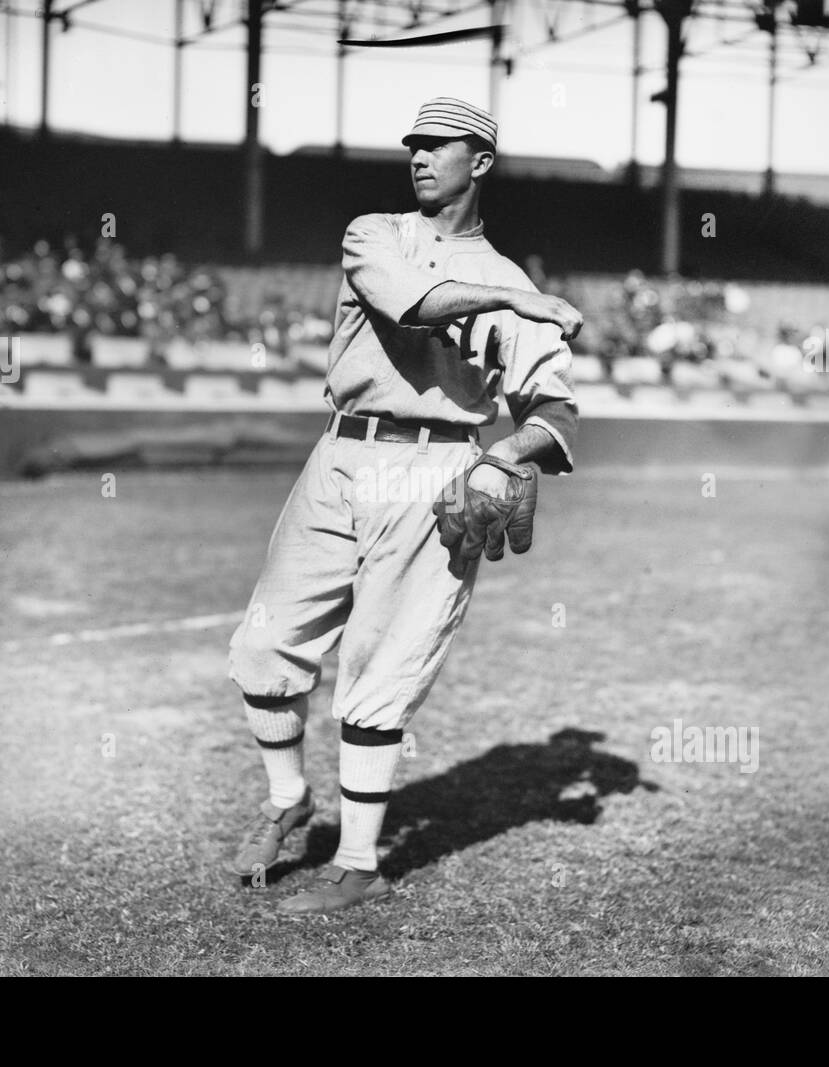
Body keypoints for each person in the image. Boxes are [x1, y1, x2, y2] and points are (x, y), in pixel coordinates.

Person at [224, 97, 582, 915]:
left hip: (435, 467)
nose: (418, 156)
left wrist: (500, 457)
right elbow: (410, 300)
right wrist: (520, 304)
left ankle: (357, 862)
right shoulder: (374, 232)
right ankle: (288, 799)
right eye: (413, 145)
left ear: (480, 163)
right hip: (342, 451)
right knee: (265, 644)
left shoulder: (509, 278)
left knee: (380, 666)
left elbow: (553, 417)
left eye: (438, 145)